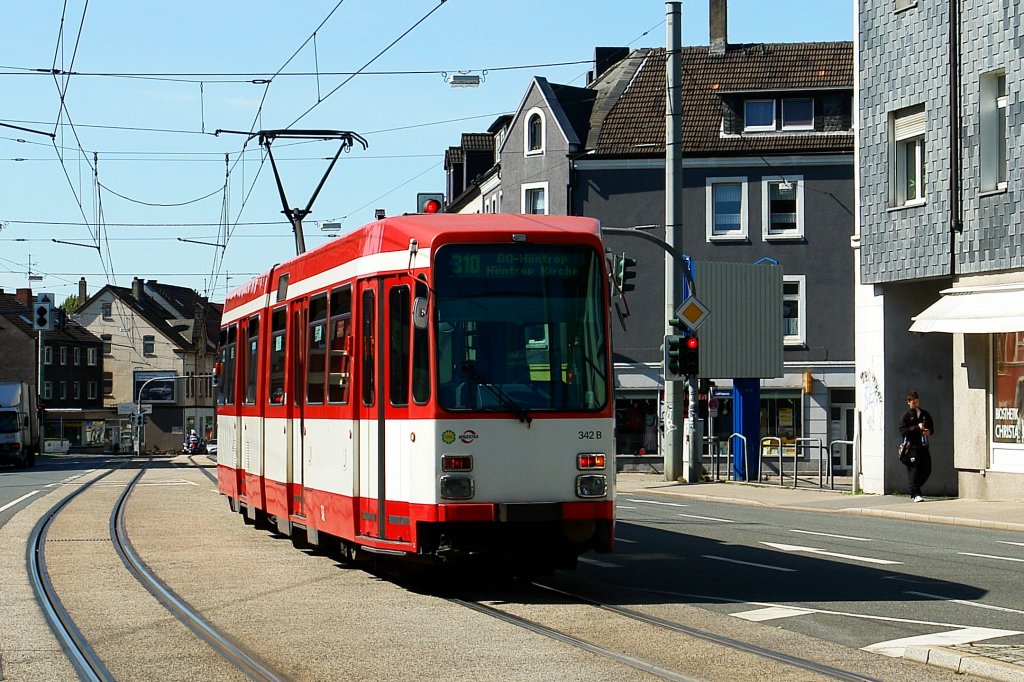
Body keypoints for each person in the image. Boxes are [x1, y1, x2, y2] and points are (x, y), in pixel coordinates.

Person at [898, 391, 934, 502]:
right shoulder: (906, 416)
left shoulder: (924, 414)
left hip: (923, 446)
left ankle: (915, 487)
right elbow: (903, 431)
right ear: (908, 402)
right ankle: (916, 494)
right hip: (911, 447)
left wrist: (929, 432)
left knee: (927, 469)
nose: (915, 404)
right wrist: (916, 427)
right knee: (914, 470)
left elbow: (931, 427)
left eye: (917, 402)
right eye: (913, 402)